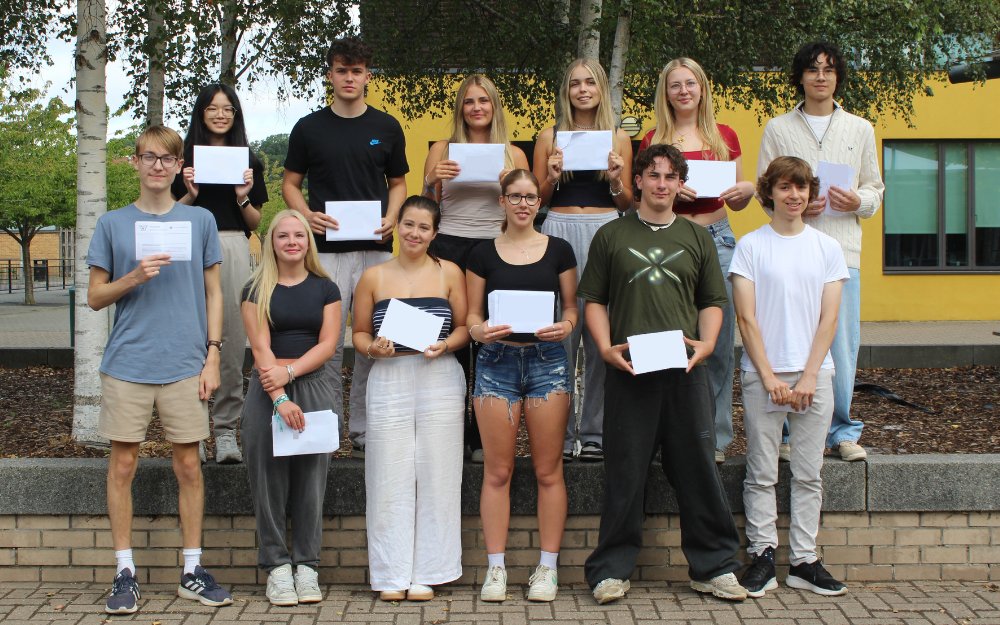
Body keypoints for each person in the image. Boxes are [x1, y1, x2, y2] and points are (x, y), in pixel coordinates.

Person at [579, 144, 746, 604]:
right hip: (629, 369)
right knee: (625, 472)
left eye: (670, 177)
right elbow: (593, 299)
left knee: (696, 470)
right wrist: (603, 347)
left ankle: (713, 566)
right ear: (638, 181)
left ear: (680, 183)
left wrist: (709, 344)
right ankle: (611, 569)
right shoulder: (612, 236)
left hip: (684, 369)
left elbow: (712, 300)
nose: (660, 184)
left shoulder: (695, 237)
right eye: (652, 175)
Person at [86, 125, 232, 615]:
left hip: (186, 363)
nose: (156, 166)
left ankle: (191, 570)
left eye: (166, 159)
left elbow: (214, 293)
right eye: (147, 157)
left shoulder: (200, 220)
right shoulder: (111, 223)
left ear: (177, 165)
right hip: (128, 363)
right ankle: (124, 572)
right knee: (123, 465)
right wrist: (132, 276)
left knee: (188, 465)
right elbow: (93, 297)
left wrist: (212, 353)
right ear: (135, 163)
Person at [756, 41, 884, 463]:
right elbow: (763, 190)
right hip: (788, 251)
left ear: (837, 76)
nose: (821, 76)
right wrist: (794, 203)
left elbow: (875, 189)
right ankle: (792, 431)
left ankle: (842, 431)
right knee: (790, 341)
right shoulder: (777, 128)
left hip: (841, 251)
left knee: (841, 344)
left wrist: (857, 202)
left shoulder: (860, 128)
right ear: (801, 77)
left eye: (828, 69)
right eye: (812, 70)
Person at [283, 36, 409, 459]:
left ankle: (365, 431)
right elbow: (290, 185)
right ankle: (327, 429)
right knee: (328, 345)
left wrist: (394, 216)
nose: (349, 78)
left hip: (377, 252)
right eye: (341, 70)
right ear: (330, 75)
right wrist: (305, 216)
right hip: (326, 252)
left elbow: (398, 185)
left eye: (356, 71)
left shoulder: (387, 127)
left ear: (367, 76)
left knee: (376, 340)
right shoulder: (308, 127)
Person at [731, 157, 849, 597]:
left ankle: (803, 560)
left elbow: (829, 319)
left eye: (800, 188)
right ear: (770, 193)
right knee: (761, 472)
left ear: (809, 192)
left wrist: (807, 377)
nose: (793, 196)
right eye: (784, 187)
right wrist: (769, 377)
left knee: (808, 473)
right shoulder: (751, 246)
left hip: (813, 375)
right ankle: (761, 555)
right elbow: (746, 318)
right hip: (764, 375)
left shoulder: (826, 248)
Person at [466, 169, 579, 603]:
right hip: (496, 362)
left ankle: (546, 569)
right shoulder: (482, 253)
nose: (523, 203)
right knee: (498, 471)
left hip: (547, 362)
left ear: (539, 202)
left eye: (531, 196)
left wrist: (565, 326)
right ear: (502, 201)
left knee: (549, 470)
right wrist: (477, 333)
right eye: (514, 196)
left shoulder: (559, 250)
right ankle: (496, 568)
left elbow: (570, 307)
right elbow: (472, 315)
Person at [637, 58, 755, 464]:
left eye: (691, 83)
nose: (683, 91)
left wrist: (746, 190)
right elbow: (644, 197)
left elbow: (736, 199)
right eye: (675, 85)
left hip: (717, 239)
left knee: (718, 343)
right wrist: (669, 193)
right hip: (668, 242)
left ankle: (715, 439)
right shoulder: (653, 137)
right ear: (665, 92)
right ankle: (666, 436)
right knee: (665, 339)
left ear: (702, 88)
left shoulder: (724, 135)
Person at [352, 196, 470, 602]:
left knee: (439, 472)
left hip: (440, 376)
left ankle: (430, 571)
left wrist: (445, 344)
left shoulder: (450, 273)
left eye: (424, 227)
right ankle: (390, 573)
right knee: (388, 472)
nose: (415, 233)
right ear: (396, 225)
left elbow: (466, 328)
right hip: (389, 379)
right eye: (408, 225)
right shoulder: (373, 276)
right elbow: (359, 335)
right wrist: (374, 350)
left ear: (435, 233)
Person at [422, 74, 530, 463]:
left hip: (496, 247)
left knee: (491, 340)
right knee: (453, 339)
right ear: (461, 109)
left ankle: (482, 436)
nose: (477, 107)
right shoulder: (442, 147)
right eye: (469, 102)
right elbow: (425, 207)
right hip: (449, 244)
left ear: (494, 107)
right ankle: (450, 433)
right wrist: (431, 178)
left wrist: (510, 186)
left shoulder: (514, 155)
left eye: (483, 101)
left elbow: (525, 206)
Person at [532, 58, 633, 463]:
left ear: (601, 88)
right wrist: (552, 177)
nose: (583, 89)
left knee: (599, 334)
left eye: (590, 82)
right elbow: (534, 200)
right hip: (558, 229)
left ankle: (593, 433)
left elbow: (627, 204)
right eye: (575, 83)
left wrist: (615, 180)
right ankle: (558, 433)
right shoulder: (548, 135)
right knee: (560, 333)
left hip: (606, 229)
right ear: (566, 91)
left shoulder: (618, 137)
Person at [240, 210, 341, 606]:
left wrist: (291, 372)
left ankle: (307, 567)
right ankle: (277, 568)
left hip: (313, 385)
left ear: (308, 241)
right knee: (268, 483)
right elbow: (261, 348)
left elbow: (328, 344)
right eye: (283, 236)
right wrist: (279, 395)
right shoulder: (255, 287)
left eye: (299, 235)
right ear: (272, 242)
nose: (292, 242)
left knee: (311, 484)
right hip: (266, 390)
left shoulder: (326, 288)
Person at [173, 83, 269, 464]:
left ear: (236, 114)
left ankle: (226, 431)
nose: (220, 114)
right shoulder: (182, 158)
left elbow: (255, 221)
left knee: (229, 340)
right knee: (188, 337)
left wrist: (241, 194)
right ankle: (191, 430)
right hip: (187, 241)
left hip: (231, 243)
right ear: (201, 112)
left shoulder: (249, 160)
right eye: (212, 108)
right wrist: (190, 194)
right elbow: (166, 212)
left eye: (228, 108)